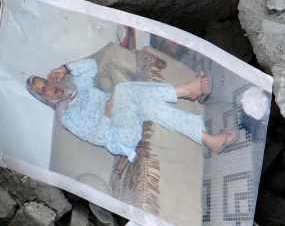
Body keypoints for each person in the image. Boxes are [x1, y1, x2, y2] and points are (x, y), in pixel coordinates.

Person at [27, 58, 239, 162]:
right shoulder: (67, 116)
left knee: (148, 105)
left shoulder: (75, 86)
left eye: (46, 81)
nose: (50, 87)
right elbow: (97, 137)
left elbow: (91, 64)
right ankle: (184, 90)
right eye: (43, 89)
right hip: (117, 136)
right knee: (123, 90)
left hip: (124, 111)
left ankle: (210, 139)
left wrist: (64, 68)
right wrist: (107, 114)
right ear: (43, 98)